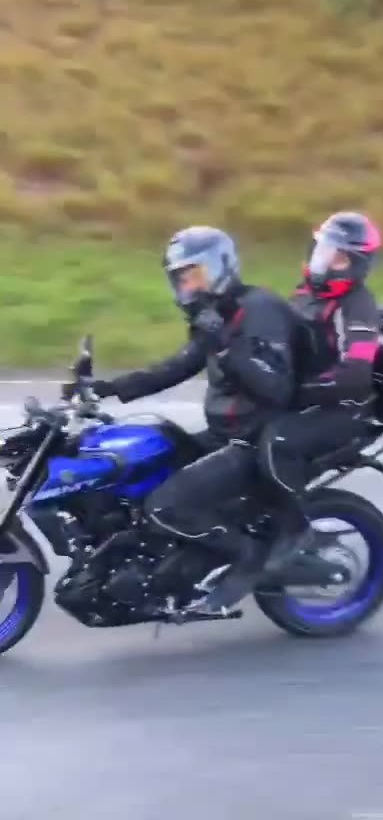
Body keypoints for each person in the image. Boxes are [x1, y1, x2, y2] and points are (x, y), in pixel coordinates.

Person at [63, 226, 305, 618]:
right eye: (180, 279)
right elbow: (176, 367)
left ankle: (247, 555)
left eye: (193, 275)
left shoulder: (260, 310)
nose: (186, 286)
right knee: (146, 470)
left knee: (165, 506)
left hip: (256, 439)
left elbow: (275, 387)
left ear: (220, 267)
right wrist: (108, 388)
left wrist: (226, 346)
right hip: (223, 433)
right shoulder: (215, 319)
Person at [257, 211, 383, 573]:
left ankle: (293, 533)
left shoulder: (356, 305)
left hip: (341, 409)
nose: (324, 261)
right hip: (306, 400)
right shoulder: (306, 295)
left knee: (276, 443)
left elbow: (355, 373)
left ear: (356, 266)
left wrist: (295, 392)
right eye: (323, 251)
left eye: (337, 257)